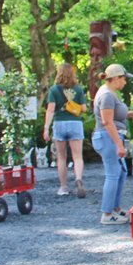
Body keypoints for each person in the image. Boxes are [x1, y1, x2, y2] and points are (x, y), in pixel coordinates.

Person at [92, 64, 133, 226]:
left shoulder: (111, 94)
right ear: (116, 78)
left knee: (121, 173)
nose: (125, 82)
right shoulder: (107, 96)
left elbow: (118, 115)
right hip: (107, 137)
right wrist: (119, 145)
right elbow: (107, 122)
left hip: (110, 136)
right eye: (124, 79)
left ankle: (115, 209)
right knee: (113, 174)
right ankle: (107, 213)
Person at [43, 63, 88, 198]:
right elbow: (84, 109)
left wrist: (46, 128)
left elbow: (50, 110)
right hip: (75, 123)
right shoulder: (78, 89)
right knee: (77, 156)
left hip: (59, 123)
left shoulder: (54, 90)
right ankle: (78, 179)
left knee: (61, 157)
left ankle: (63, 187)